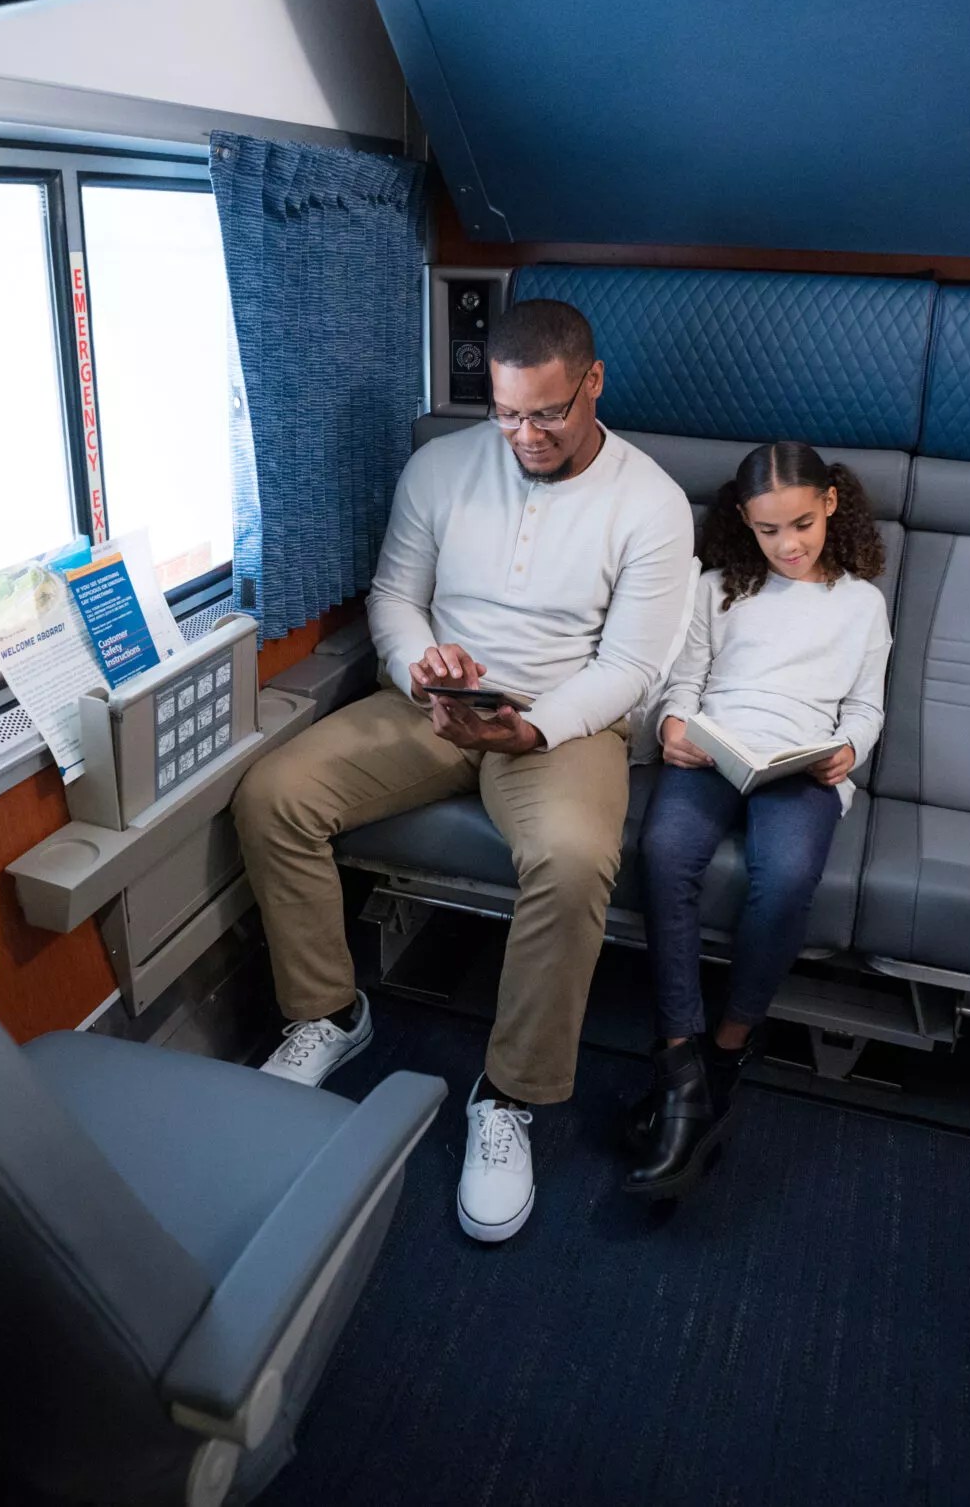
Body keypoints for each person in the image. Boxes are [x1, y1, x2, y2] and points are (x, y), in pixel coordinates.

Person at [232, 298, 695, 1242]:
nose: (524, 435)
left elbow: (634, 668)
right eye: (507, 412)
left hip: (562, 725)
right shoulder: (439, 467)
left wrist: (535, 730)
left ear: (593, 384)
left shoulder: (652, 502)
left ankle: (510, 1095)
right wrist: (419, 666)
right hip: (436, 705)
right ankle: (328, 1011)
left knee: (570, 862)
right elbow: (396, 596)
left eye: (548, 414)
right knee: (272, 794)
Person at [623, 442, 891, 1198]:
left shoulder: (861, 603)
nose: (790, 544)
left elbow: (865, 706)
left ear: (831, 504)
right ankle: (680, 1059)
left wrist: (847, 749)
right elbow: (688, 680)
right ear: (744, 521)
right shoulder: (718, 588)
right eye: (770, 530)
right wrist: (677, 725)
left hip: (801, 760)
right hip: (719, 745)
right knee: (667, 848)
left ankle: (727, 1048)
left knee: (790, 872)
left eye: (802, 524)